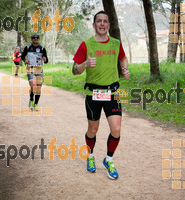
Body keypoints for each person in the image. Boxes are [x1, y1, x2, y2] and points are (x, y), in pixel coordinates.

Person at [72, 10, 130, 180]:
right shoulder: (86, 44)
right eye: (99, 21)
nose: (102, 24)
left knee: (116, 129)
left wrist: (125, 68)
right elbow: (75, 70)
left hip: (112, 92)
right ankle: (90, 156)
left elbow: (123, 58)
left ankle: (108, 159)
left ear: (109, 25)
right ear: (94, 25)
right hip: (93, 93)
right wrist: (85, 64)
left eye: (105, 21)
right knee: (93, 129)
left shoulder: (115, 43)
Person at [21, 33, 48, 111]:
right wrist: (24, 60)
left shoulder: (42, 49)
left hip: (39, 69)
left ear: (39, 39)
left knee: (38, 88)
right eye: (34, 38)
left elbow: (46, 60)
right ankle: (31, 100)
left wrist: (45, 59)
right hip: (30, 68)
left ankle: (36, 104)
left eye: (37, 38)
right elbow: (22, 56)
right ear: (31, 39)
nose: (35, 39)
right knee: (33, 86)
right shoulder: (27, 47)